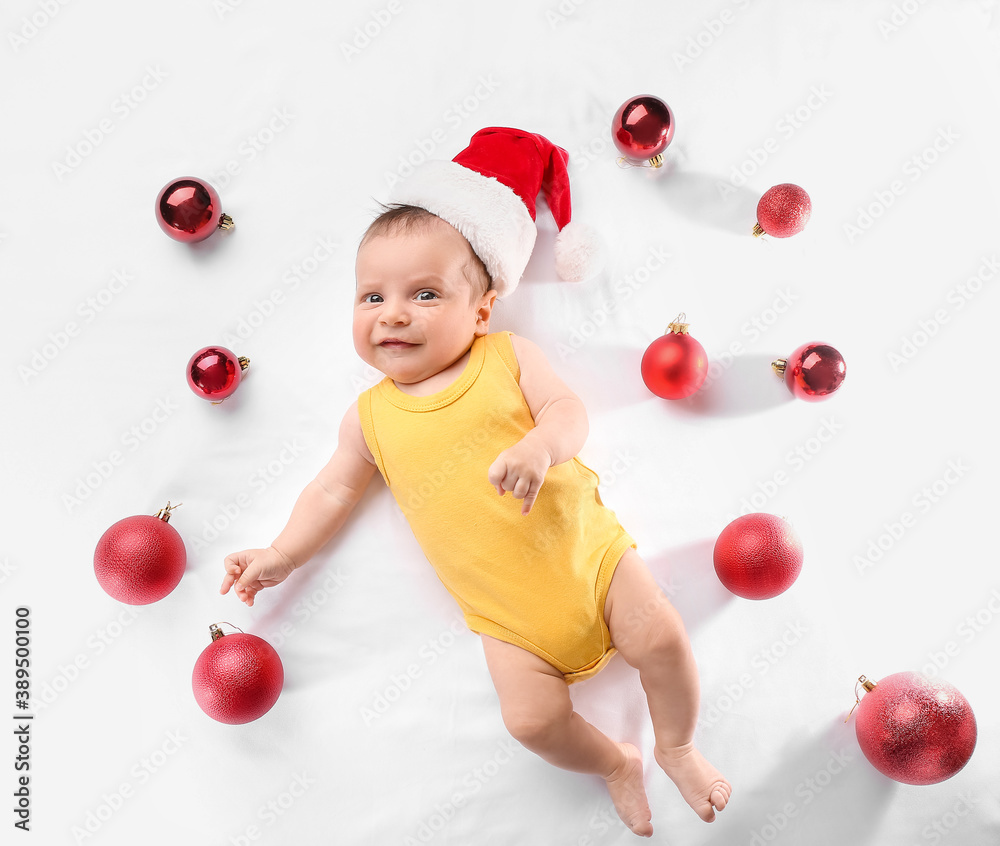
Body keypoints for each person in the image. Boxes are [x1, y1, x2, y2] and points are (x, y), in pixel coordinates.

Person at [220, 128, 730, 837]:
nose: (392, 313)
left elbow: (569, 412)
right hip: (507, 621)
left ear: (482, 309)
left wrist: (539, 446)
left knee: (664, 641)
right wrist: (282, 553)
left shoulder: (505, 358)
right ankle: (615, 762)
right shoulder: (369, 418)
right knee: (530, 721)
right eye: (372, 297)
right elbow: (333, 491)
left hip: (593, 561)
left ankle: (675, 746)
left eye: (423, 293)